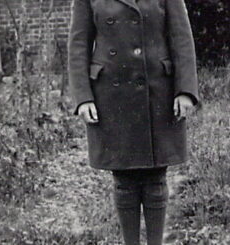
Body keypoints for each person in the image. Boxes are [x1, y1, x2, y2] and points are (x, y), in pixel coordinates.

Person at [67, 0, 199, 244]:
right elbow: (78, 45)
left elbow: (181, 37)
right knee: (124, 178)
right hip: (112, 95)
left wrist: (185, 90)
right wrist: (83, 97)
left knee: (156, 175)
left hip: (158, 91)